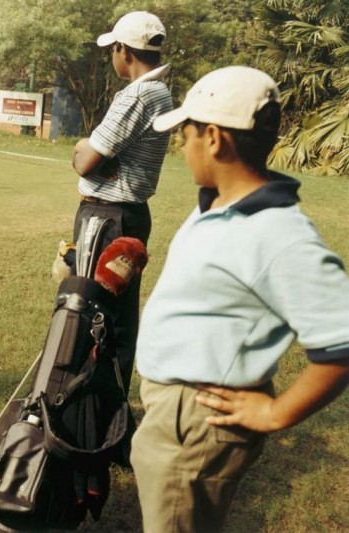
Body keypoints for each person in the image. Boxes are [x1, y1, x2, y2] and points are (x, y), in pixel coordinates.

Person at [129, 65, 349, 532]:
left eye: (184, 136)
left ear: (213, 138)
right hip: (174, 410)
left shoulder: (279, 234)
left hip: (198, 422)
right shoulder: (218, 199)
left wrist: (275, 411)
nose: (181, 148)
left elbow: (342, 343)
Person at [70, 11, 173, 452]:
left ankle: (87, 422)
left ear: (123, 51)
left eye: (113, 49)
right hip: (129, 216)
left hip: (108, 217)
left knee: (90, 315)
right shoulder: (162, 93)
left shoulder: (136, 97)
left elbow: (86, 159)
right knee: (116, 320)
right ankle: (109, 422)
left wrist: (81, 149)